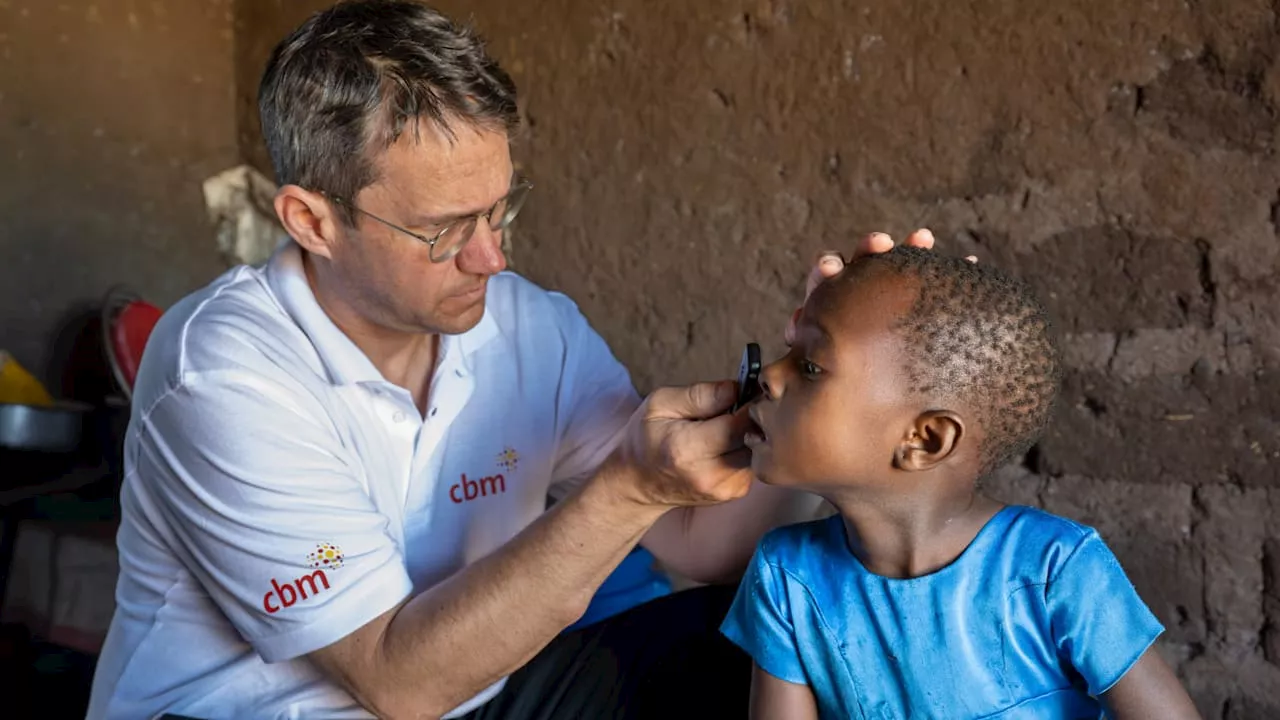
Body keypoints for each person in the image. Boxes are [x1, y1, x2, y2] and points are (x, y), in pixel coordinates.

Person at [84, 1, 933, 717]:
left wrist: (830, 387)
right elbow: (397, 680)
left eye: (499, 211)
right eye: (445, 230)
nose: (490, 258)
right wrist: (631, 485)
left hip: (478, 695)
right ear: (312, 221)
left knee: (754, 636)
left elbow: (690, 538)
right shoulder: (225, 376)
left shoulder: (531, 328)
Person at [718, 246, 1203, 719]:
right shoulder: (787, 577)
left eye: (810, 366)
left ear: (926, 440)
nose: (770, 376)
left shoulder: (1052, 570)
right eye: (788, 352)